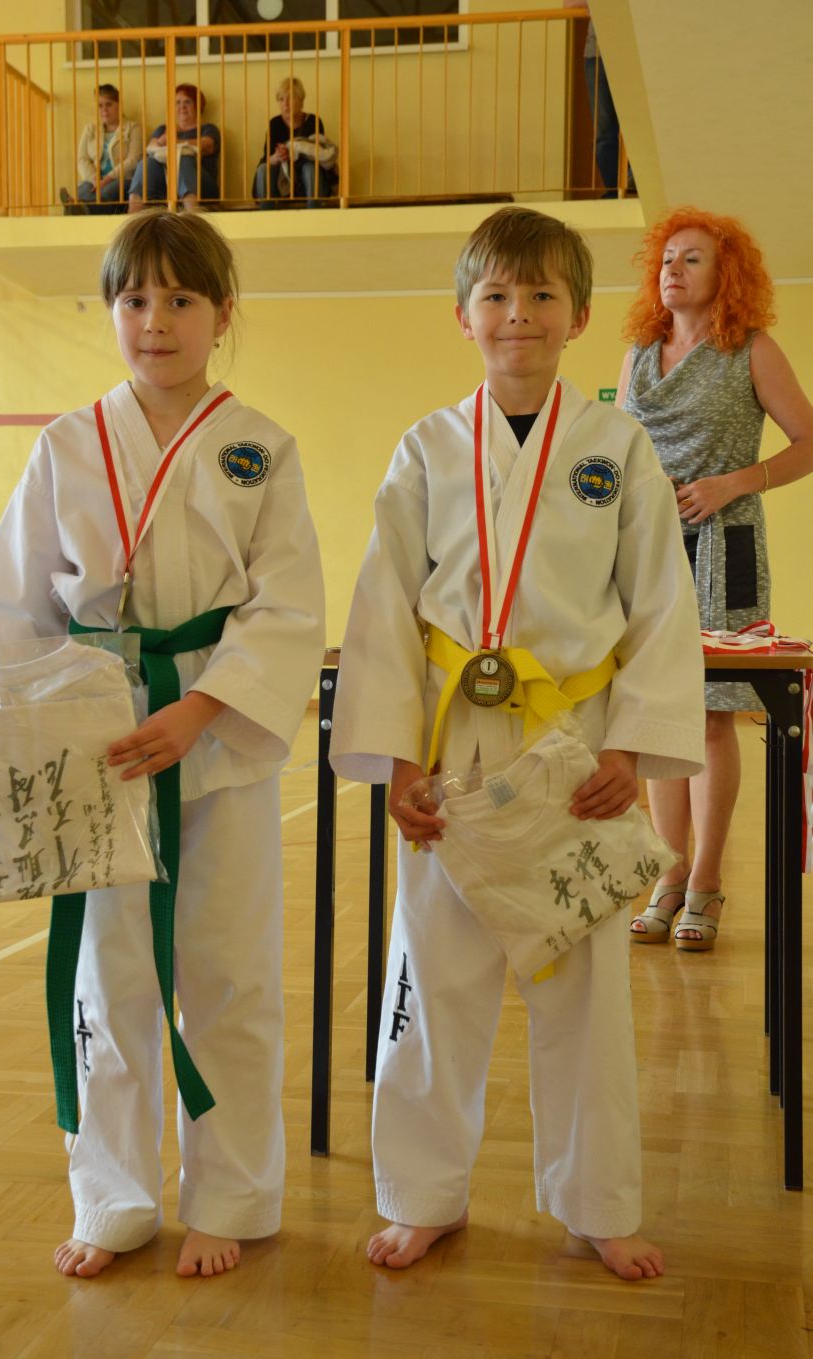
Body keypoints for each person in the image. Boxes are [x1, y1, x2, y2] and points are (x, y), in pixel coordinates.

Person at [0, 210, 325, 1279]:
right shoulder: (68, 443)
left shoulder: (261, 446)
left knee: (229, 972)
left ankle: (232, 1197)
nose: (156, 321)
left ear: (223, 314)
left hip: (215, 740)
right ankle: (113, 1196)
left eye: (181, 300)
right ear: (111, 310)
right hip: (90, 742)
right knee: (110, 982)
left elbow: (288, 608)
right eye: (135, 299)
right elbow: (9, 607)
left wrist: (204, 707)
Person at [329, 207, 705, 1280]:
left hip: (573, 750)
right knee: (430, 978)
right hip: (453, 750)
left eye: (542, 294)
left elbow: (660, 604)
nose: (518, 315)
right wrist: (399, 761)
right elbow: (384, 606)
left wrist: (631, 751)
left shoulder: (618, 447)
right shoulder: (425, 448)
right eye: (495, 295)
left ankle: (597, 1201)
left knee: (586, 991)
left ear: (579, 316)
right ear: (463, 316)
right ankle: (422, 1194)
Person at [620, 207, 813, 950]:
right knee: (655, 712)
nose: (673, 269)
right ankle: (666, 874)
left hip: (725, 546)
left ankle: (705, 878)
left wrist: (733, 483)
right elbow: (620, 452)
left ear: (724, 273)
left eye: (691, 258)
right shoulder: (639, 352)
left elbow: (807, 442)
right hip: (648, 550)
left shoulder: (751, 349)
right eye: (667, 259)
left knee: (710, 713)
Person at [563, 1, 633, 197]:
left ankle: (634, 183)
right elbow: (568, 5)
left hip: (632, 51)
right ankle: (613, 189)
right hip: (596, 55)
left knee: (636, 125)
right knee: (604, 132)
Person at [128, 84, 220, 212]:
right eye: (177, 102)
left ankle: (192, 212)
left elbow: (207, 145)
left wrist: (174, 143)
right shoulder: (163, 129)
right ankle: (133, 213)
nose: (182, 106)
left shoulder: (208, 129)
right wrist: (167, 135)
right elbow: (151, 148)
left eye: (187, 102)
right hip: (166, 187)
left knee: (184, 157)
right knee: (146, 163)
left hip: (202, 188)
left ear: (198, 105)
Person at [253, 77, 337, 208]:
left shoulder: (313, 121)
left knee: (310, 168)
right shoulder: (274, 123)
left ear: (301, 100)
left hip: (306, 181)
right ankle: (266, 214)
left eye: (290, 98)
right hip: (281, 181)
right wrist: (278, 156)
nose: (285, 104)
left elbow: (319, 155)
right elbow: (267, 158)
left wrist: (293, 152)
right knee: (263, 169)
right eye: (281, 99)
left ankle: (314, 213)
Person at [59, 84, 141, 215]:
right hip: (94, 181)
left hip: (120, 179)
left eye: (109, 104)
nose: (104, 110)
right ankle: (79, 206)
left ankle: (78, 208)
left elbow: (133, 159)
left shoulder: (133, 128)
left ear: (119, 105)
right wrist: (94, 178)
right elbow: (82, 159)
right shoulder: (90, 129)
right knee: (83, 189)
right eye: (100, 106)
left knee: (108, 192)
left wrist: (108, 178)